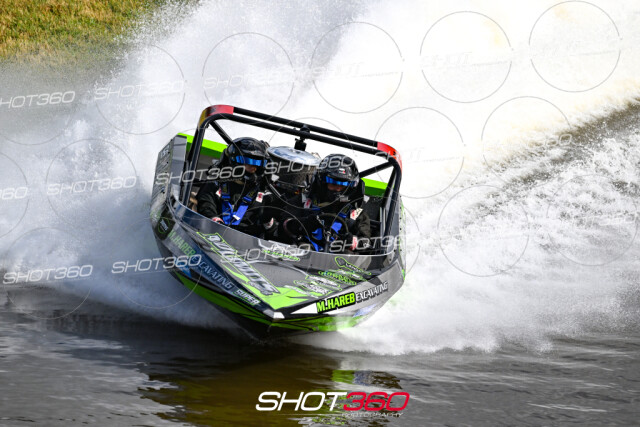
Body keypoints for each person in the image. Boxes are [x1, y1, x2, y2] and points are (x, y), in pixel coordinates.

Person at [282, 153, 371, 252]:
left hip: (337, 258)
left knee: (346, 253)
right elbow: (281, 228)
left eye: (342, 186)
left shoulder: (356, 213)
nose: (338, 189)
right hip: (302, 253)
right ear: (322, 183)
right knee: (302, 247)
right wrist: (302, 224)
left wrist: (351, 241)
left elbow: (366, 243)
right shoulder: (304, 201)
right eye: (333, 184)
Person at [196, 137, 274, 237]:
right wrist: (215, 220)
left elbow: (272, 230)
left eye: (258, 163)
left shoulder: (264, 194)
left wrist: (269, 221)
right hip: (212, 235)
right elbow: (206, 205)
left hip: (247, 242)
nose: (254, 168)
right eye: (249, 162)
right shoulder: (215, 184)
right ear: (234, 162)